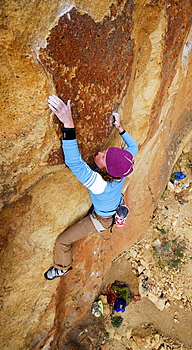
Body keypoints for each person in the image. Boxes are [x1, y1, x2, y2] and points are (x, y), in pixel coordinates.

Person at [44, 95, 138, 280]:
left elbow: (74, 162)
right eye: (107, 152)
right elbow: (132, 146)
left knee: (63, 241)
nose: (101, 152)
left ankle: (62, 267)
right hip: (113, 203)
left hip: (101, 220)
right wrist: (119, 128)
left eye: (103, 157)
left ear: (106, 170)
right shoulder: (124, 166)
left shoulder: (99, 184)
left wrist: (69, 124)